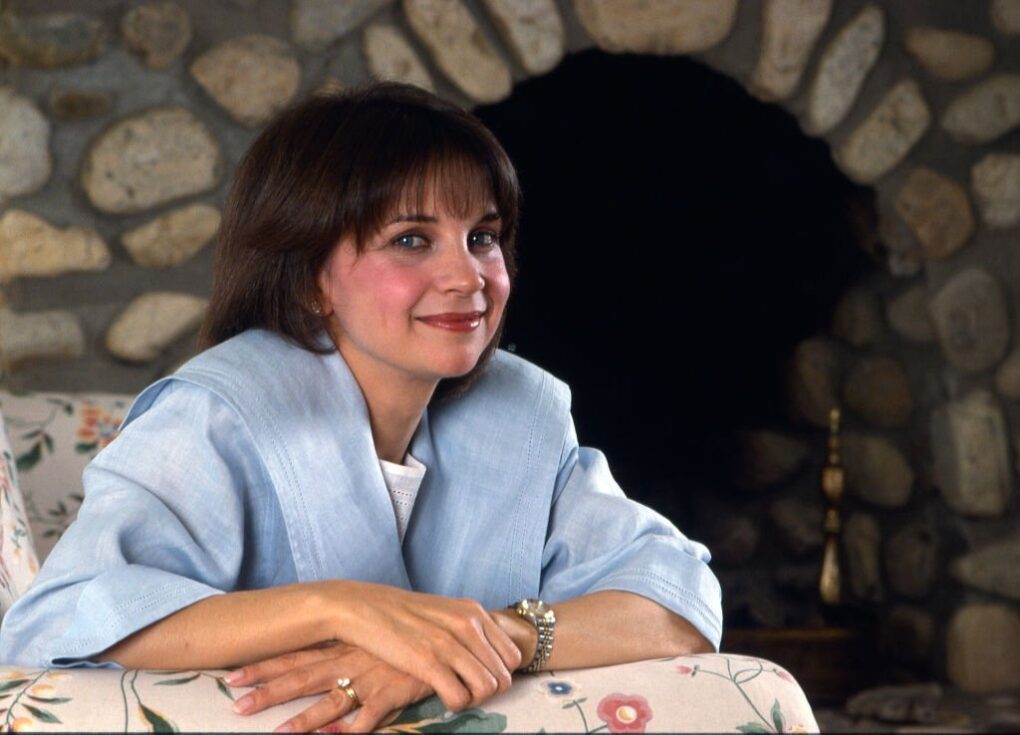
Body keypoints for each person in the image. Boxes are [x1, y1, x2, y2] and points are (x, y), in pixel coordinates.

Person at [0, 83, 722, 733]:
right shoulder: (214, 415)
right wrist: (342, 608)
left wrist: (479, 641)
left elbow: (676, 599)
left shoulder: (524, 414)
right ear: (313, 277)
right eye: (411, 239)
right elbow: (64, 617)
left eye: (484, 236)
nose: (467, 275)